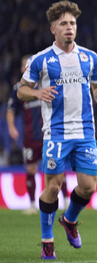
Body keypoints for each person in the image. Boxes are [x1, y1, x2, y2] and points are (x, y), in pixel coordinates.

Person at [17, 0, 97, 260]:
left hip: (85, 132)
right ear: (53, 29)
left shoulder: (89, 57)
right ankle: (47, 241)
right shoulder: (41, 60)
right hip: (56, 134)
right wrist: (37, 92)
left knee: (88, 188)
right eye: (63, 24)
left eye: (72, 23)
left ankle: (69, 220)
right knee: (52, 187)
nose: (69, 27)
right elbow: (21, 90)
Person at [7, 55, 69, 215]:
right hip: (29, 136)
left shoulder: (47, 83)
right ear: (22, 69)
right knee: (30, 170)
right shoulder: (18, 89)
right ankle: (33, 204)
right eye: (25, 65)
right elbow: (11, 110)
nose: (27, 68)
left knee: (57, 168)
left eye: (30, 65)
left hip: (50, 134)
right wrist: (11, 126)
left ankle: (67, 200)